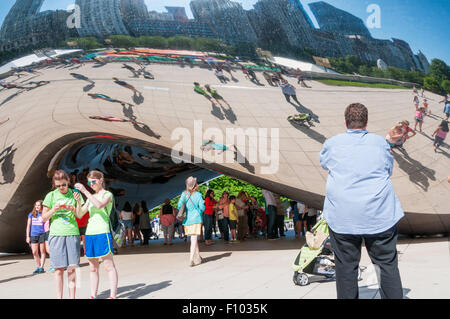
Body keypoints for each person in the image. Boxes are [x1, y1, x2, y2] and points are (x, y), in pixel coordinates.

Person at [319, 103, 404, 299]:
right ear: (366, 122)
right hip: (379, 214)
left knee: (346, 268)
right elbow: (388, 170)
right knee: (387, 266)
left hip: (343, 217)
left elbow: (325, 163)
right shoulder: (380, 143)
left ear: (345, 122)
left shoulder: (332, 143)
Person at [74, 170, 118, 300]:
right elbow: (80, 214)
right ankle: (93, 295)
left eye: (93, 181)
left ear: (101, 180)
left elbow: (99, 205)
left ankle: (112, 295)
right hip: (89, 234)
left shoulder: (107, 194)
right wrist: (78, 201)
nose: (91, 184)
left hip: (102, 232)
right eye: (89, 182)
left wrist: (85, 191)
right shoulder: (90, 197)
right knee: (93, 267)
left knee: (108, 265)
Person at [42, 170, 84, 299]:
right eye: (58, 185)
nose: (61, 188)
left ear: (68, 182)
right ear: (55, 184)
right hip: (56, 234)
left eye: (64, 185)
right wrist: (53, 209)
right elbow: (44, 218)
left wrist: (76, 204)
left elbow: (80, 215)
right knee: (59, 269)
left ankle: (72, 297)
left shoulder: (75, 194)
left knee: (72, 268)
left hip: (72, 233)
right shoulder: (50, 196)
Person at [177, 177, 205, 266]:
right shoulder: (198, 195)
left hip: (187, 220)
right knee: (193, 239)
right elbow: (202, 208)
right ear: (195, 185)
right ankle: (191, 259)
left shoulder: (184, 194)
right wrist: (199, 211)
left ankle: (198, 256)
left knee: (194, 238)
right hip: (196, 219)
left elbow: (179, 206)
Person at [26, 200, 47, 274]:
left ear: (41, 206)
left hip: (42, 234)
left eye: (38, 205)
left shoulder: (44, 214)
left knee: (42, 251)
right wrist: (27, 236)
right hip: (33, 235)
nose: (37, 206)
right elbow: (28, 226)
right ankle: (38, 266)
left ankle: (41, 267)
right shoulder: (31, 214)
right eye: (36, 205)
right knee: (34, 252)